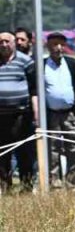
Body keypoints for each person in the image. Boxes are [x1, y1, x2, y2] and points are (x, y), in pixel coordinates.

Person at [40, 33, 75, 190]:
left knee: (72, 149)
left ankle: (72, 184)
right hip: (51, 114)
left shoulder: (73, 64)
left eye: (61, 44)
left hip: (70, 114)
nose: (58, 48)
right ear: (48, 46)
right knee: (52, 150)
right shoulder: (42, 65)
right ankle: (54, 184)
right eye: (55, 44)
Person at [0, 30, 37, 194]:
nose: (3, 45)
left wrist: (36, 114)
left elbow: (34, 90)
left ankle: (27, 186)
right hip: (1, 116)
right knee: (3, 153)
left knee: (25, 152)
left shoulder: (26, 61)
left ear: (14, 43)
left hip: (22, 115)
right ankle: (4, 187)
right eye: (0, 42)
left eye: (7, 41)